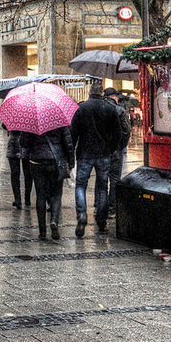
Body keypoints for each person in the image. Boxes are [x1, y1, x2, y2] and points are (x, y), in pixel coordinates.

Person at [70, 84, 122, 238]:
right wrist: (110, 149)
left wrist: (72, 153)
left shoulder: (81, 108)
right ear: (102, 93)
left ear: (89, 92)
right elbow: (118, 134)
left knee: (80, 186)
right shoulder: (110, 109)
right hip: (103, 154)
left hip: (85, 154)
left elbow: (73, 134)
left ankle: (82, 215)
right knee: (102, 188)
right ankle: (101, 222)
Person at [21, 125, 74, 240]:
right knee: (56, 194)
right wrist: (71, 162)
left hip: (36, 161)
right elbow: (68, 143)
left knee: (40, 195)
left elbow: (24, 143)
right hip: (55, 161)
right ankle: (54, 220)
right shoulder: (59, 120)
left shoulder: (31, 120)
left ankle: (42, 232)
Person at [104, 88, 131, 217]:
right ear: (114, 96)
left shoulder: (99, 108)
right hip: (115, 150)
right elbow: (127, 130)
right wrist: (121, 145)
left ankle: (99, 207)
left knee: (101, 179)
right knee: (114, 179)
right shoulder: (120, 110)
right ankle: (112, 209)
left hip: (101, 151)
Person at [7, 130, 33, 209]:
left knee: (15, 174)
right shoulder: (29, 118)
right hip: (26, 145)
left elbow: (4, 126)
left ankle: (18, 199)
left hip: (14, 145)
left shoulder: (11, 117)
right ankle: (27, 199)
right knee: (28, 174)